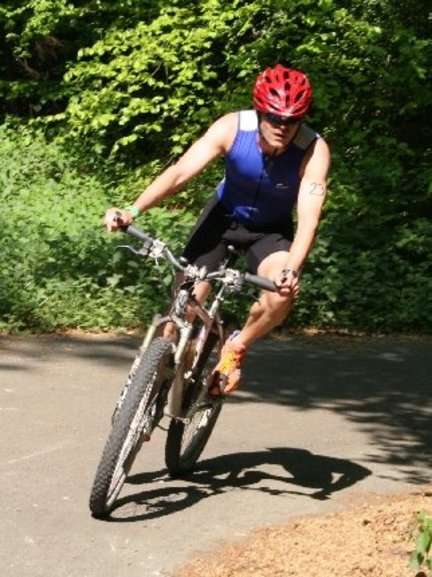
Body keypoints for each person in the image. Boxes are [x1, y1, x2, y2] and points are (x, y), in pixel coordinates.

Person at [105, 64, 331, 395]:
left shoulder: (313, 149)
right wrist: (133, 210)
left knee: (281, 295)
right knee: (183, 306)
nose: (282, 127)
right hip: (222, 218)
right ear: (260, 111)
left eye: (292, 120)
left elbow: (309, 218)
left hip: (269, 231)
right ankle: (154, 388)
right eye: (274, 118)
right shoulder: (232, 128)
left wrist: (291, 270)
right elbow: (180, 173)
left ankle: (236, 347)